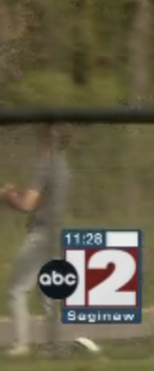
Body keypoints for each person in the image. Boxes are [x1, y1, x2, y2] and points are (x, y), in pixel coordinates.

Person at [4, 124, 72, 357]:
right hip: (55, 234)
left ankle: (21, 345)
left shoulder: (46, 165)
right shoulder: (63, 166)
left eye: (42, 135)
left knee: (17, 290)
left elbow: (27, 205)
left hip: (40, 235)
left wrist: (8, 195)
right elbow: (40, 199)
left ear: (49, 138)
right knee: (49, 293)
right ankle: (54, 345)